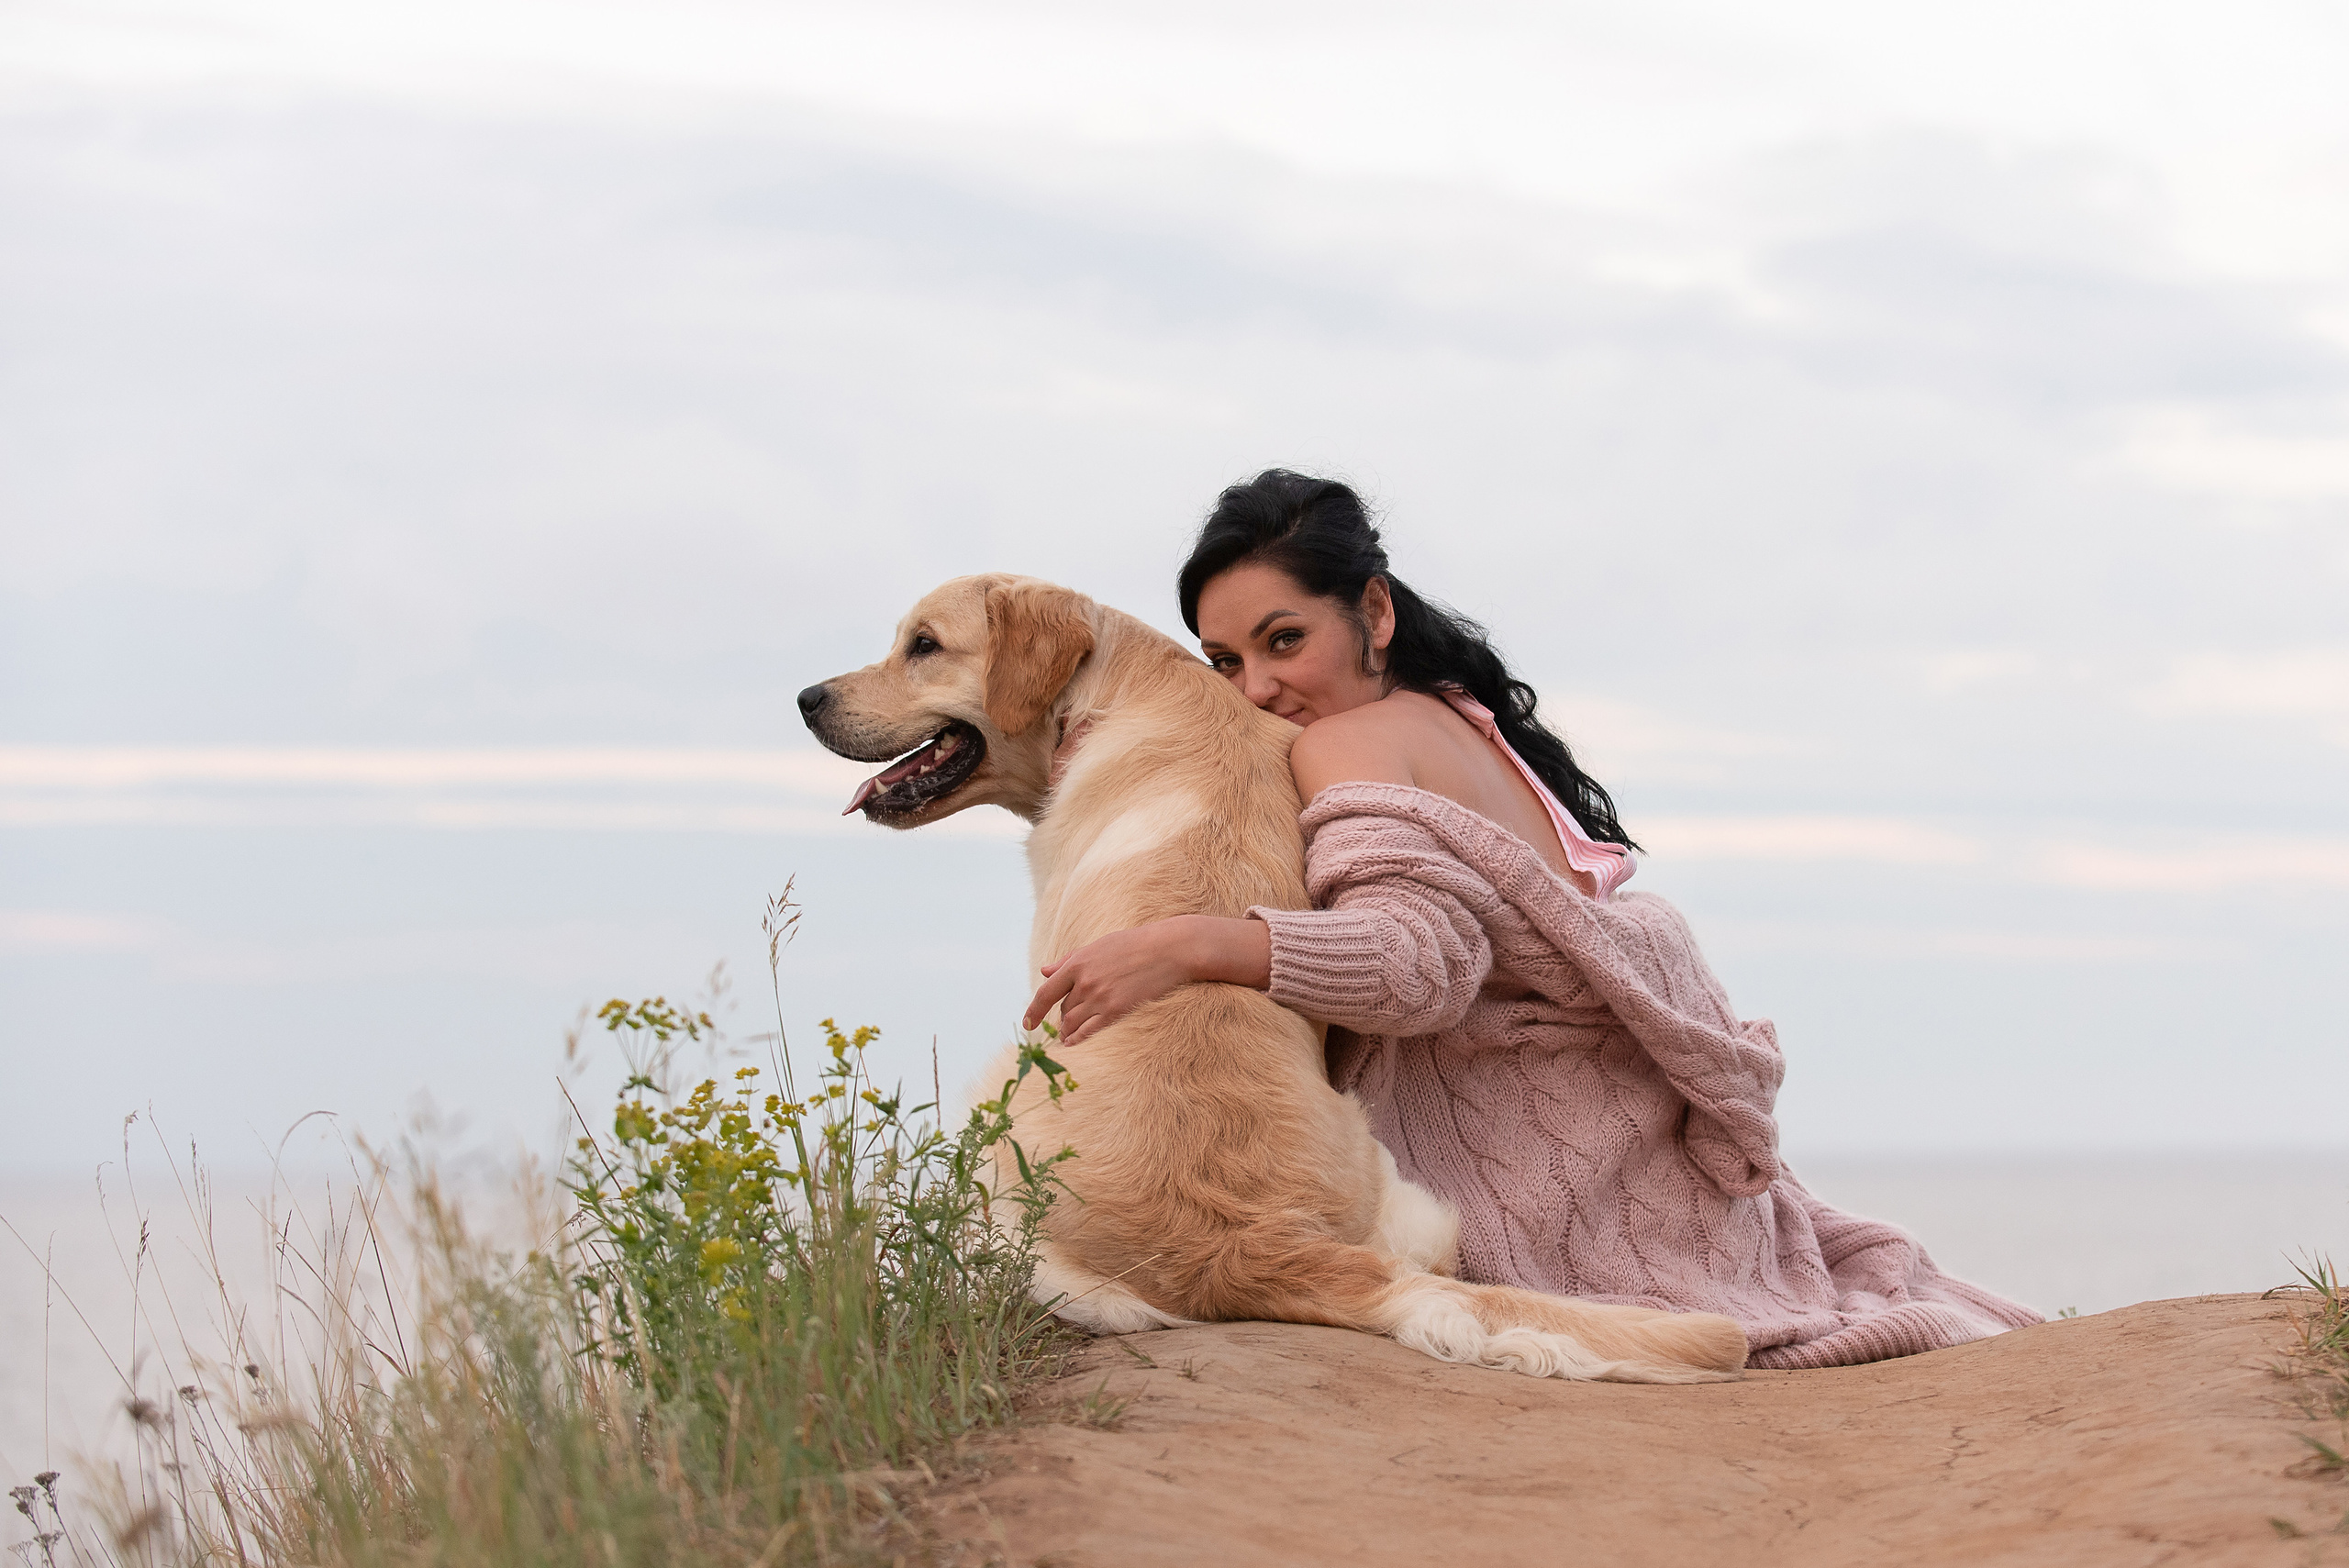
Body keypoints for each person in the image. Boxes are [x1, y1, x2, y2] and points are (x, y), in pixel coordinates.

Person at [1021, 469, 2039, 1369]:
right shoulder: (1461, 721)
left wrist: (1189, 944)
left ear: (1372, 612)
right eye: (1225, 663)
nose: (1260, 688)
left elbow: (1419, 962)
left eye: (1284, 640)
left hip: (1550, 1210)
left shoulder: (1350, 745)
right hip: (1649, 1177)